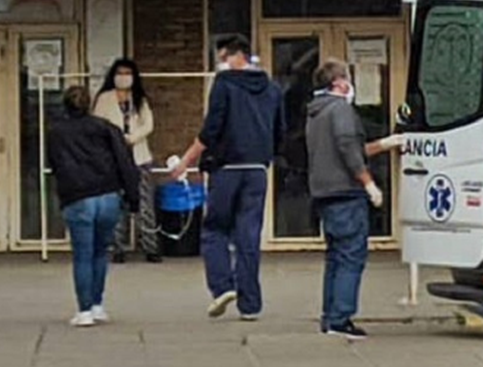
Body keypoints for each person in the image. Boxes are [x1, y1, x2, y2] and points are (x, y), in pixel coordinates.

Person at [170, 34, 285, 321]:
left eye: (223, 58)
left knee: (214, 230)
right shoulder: (272, 88)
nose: (220, 64)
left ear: (236, 56)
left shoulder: (225, 84)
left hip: (227, 168)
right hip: (257, 169)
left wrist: (186, 161)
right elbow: (280, 130)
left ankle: (222, 286)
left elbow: (211, 129)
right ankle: (251, 304)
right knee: (249, 235)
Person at [305, 59, 405, 339]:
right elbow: (349, 148)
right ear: (339, 83)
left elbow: (349, 149)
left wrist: (385, 144)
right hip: (346, 193)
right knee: (351, 256)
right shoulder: (340, 109)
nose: (351, 84)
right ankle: (341, 318)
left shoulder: (316, 113)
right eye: (348, 78)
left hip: (324, 192)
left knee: (335, 257)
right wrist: (369, 183)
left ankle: (330, 317)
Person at [47, 85, 141, 328]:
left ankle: (84, 310)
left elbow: (55, 164)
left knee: (83, 255)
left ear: (65, 105)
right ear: (89, 104)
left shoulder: (56, 132)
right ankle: (98, 305)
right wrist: (133, 198)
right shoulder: (107, 128)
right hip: (108, 195)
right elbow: (125, 162)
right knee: (101, 252)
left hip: (77, 197)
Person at [92, 58, 161, 264]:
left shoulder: (139, 98)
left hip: (139, 156)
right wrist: (116, 139)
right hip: (113, 159)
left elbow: (149, 124)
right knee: (115, 205)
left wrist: (132, 138)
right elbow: (98, 124)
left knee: (145, 205)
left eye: (127, 73)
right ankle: (117, 248)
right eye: (120, 73)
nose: (123, 77)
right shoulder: (104, 99)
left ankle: (150, 246)